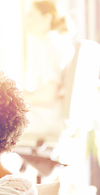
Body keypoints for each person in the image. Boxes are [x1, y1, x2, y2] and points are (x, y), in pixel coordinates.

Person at [22, 0, 75, 141]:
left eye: (31, 15)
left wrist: (19, 98)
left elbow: (48, 95)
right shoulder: (60, 43)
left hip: (49, 119)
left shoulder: (52, 46)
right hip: (57, 117)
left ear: (47, 18)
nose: (26, 19)